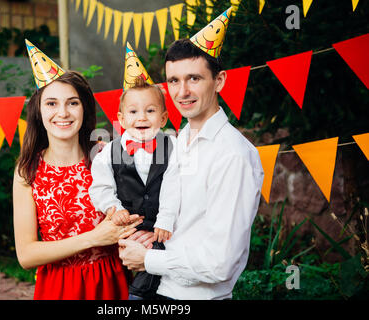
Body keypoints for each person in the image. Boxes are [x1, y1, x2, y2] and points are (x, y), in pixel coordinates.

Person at [118, 8, 265, 300]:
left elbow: (220, 263)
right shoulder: (177, 140)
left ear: (219, 81)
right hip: (157, 290)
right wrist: (151, 238)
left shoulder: (233, 155)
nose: (182, 91)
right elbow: (181, 223)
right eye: (174, 80)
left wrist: (148, 260)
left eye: (194, 78)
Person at [13, 40, 143, 300]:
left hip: (111, 283)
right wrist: (93, 238)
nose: (63, 113)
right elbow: (26, 256)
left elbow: (140, 213)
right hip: (58, 288)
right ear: (38, 111)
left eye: (72, 103)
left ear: (84, 108)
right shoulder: (27, 170)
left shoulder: (106, 156)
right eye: (51, 104)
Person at [89, 77, 181, 300]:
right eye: (133, 112)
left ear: (163, 117)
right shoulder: (109, 152)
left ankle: (139, 296)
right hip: (130, 225)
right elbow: (100, 187)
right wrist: (113, 208)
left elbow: (175, 185)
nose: (141, 117)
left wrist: (166, 220)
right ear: (121, 118)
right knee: (133, 263)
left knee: (158, 265)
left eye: (150, 110)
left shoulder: (174, 146)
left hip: (165, 228)